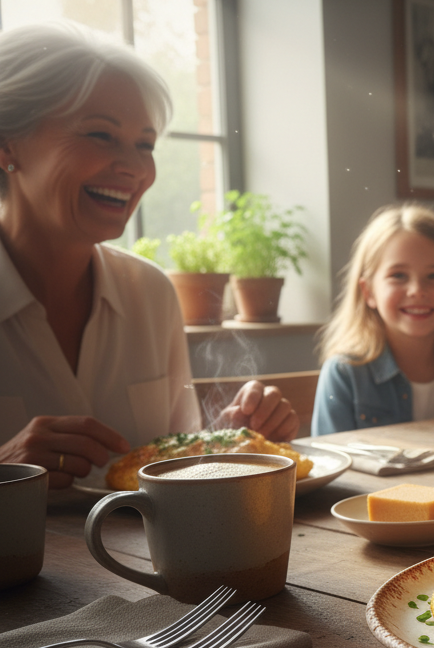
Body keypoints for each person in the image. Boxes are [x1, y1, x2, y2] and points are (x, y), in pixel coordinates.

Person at [0, 23, 297, 491]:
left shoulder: (152, 293)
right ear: (7, 145)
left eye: (145, 144)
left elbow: (176, 470)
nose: (137, 168)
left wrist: (233, 437)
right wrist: (4, 466)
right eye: (101, 135)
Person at [312, 203, 434, 435]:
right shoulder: (344, 374)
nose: (417, 290)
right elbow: (332, 463)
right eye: (398, 275)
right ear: (368, 292)